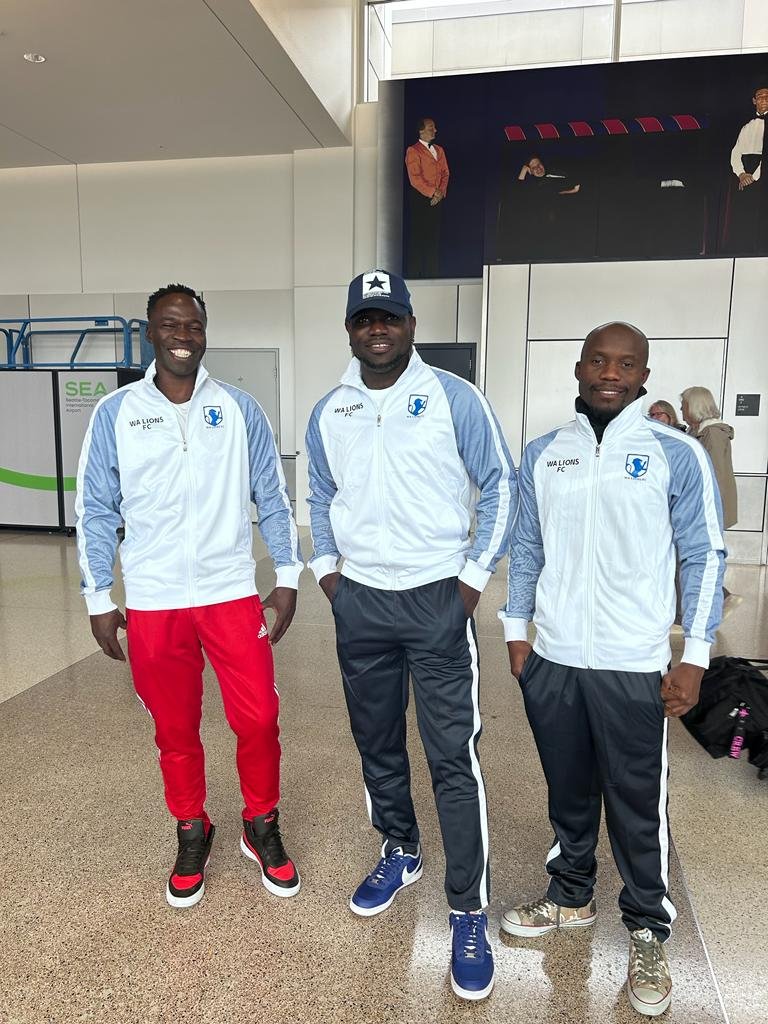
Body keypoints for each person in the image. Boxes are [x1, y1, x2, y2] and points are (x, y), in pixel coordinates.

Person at [500, 322, 725, 1018]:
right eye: (599, 360)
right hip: (555, 657)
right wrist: (516, 630)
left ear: (643, 375)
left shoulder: (675, 453)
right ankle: (571, 895)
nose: (610, 373)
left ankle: (648, 927)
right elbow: (527, 545)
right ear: (578, 368)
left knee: (636, 803)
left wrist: (695, 654)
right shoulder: (544, 453)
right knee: (568, 791)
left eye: (626, 364)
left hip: (634, 663)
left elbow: (705, 554)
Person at [305, 269, 516, 1001]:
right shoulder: (330, 409)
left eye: (389, 317)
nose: (378, 329)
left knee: (452, 757)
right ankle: (400, 848)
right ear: (350, 329)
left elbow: (501, 484)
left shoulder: (455, 398)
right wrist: (328, 574)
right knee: (377, 743)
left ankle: (467, 911)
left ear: (410, 325)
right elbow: (320, 493)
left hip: (436, 600)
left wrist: (471, 581)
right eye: (365, 319)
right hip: (361, 602)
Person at [76, 284, 302, 909]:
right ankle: (191, 826)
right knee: (174, 727)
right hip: (154, 600)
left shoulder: (239, 409)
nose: (183, 335)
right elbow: (96, 509)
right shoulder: (117, 413)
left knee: (258, 718)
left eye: (193, 325)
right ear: (150, 332)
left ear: (205, 332)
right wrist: (98, 596)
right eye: (170, 324)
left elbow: (271, 495)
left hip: (230, 593)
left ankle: (261, 822)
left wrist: (287, 576)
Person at [680, 387, 738, 530]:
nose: (681, 409)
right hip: (698, 503)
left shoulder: (712, 433)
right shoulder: (695, 430)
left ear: (694, 406)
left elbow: (714, 474)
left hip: (707, 506)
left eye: (684, 404)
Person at [726, 80, 768, 252]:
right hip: (745, 176)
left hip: (762, 177)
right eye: (760, 96)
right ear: (754, 101)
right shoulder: (746, 127)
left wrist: (755, 177)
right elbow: (736, 153)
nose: (764, 99)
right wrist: (742, 174)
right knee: (744, 219)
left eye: (767, 96)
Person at [405, 118, 450, 277]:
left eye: (434, 128)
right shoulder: (413, 150)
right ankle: (415, 277)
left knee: (433, 239)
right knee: (418, 239)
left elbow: (445, 173)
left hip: (437, 199)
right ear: (421, 131)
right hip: (420, 198)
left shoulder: (439, 150)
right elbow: (415, 178)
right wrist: (433, 192)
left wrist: (440, 193)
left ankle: (432, 276)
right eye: (431, 128)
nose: (435, 131)